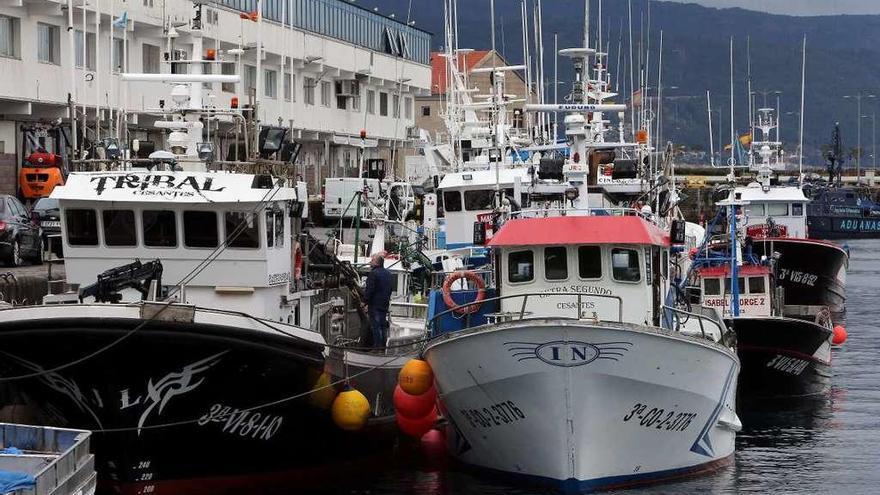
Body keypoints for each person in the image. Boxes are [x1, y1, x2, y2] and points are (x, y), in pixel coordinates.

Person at [362, 254, 393, 347]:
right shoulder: (388, 274)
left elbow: (370, 290)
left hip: (375, 304)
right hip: (384, 303)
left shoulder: (373, 274)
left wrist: (364, 302)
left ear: (376, 262)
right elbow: (390, 289)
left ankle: (377, 347)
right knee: (383, 326)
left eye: (372, 260)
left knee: (376, 326)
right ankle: (384, 346)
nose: (370, 262)